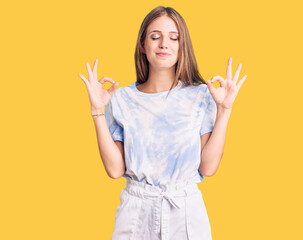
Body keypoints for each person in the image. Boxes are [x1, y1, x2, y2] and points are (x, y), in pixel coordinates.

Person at [79, 6, 247, 240]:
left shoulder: (200, 95)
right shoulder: (122, 98)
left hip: (186, 211)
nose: (164, 44)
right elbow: (115, 169)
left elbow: (208, 168)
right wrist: (98, 111)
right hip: (136, 213)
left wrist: (224, 110)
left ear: (182, 45)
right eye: (155, 37)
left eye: (173, 37)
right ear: (143, 45)